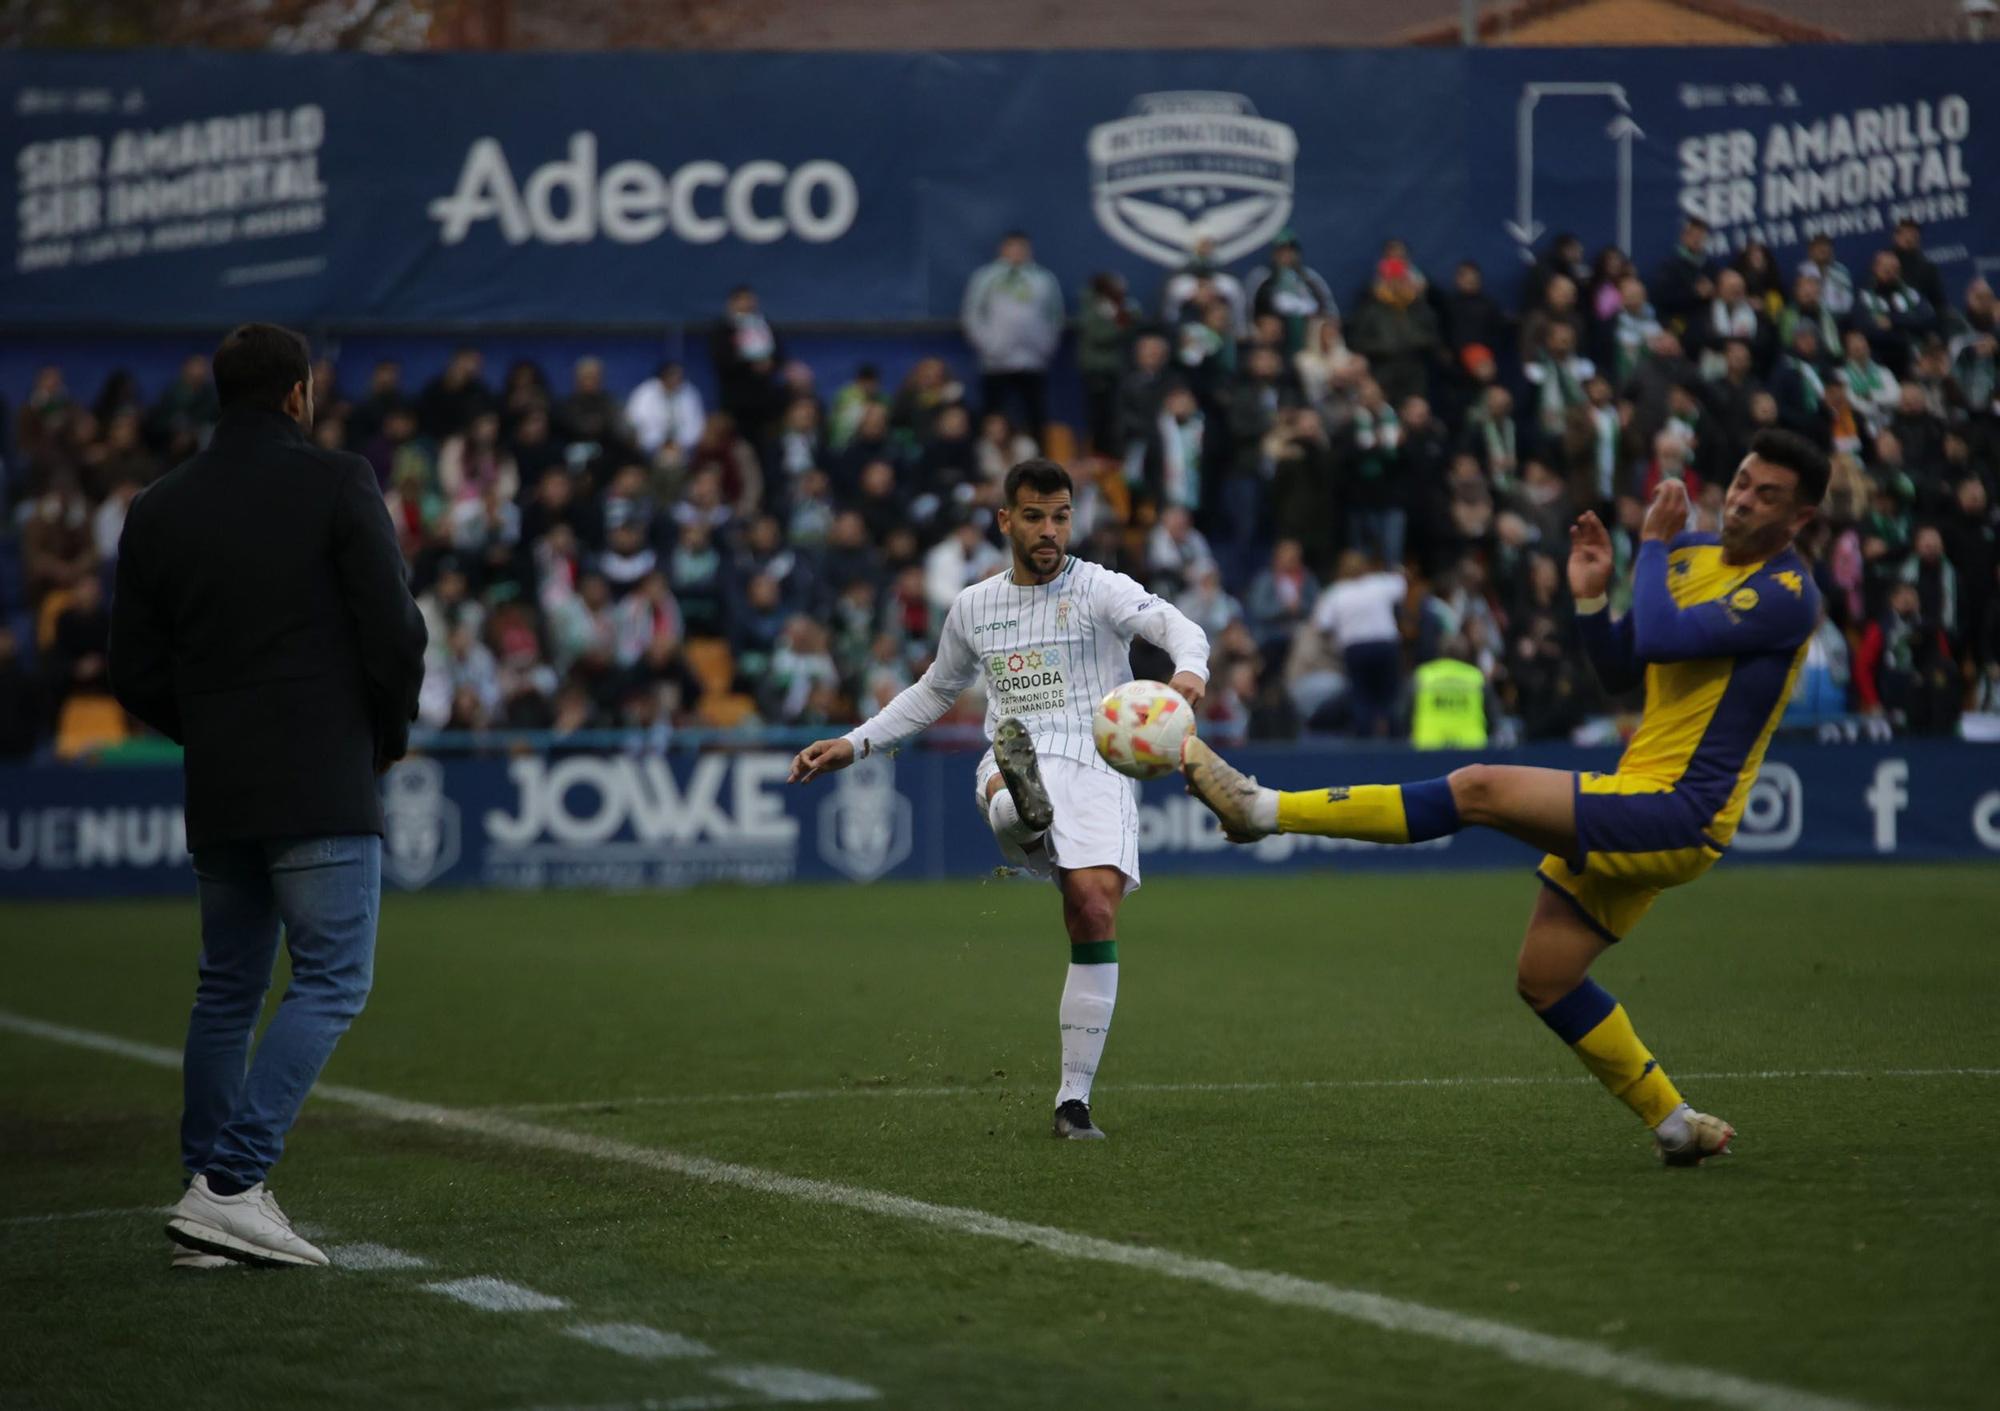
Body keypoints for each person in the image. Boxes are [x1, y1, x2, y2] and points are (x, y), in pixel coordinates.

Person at [1184, 428, 1830, 1167]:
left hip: (1682, 810)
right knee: (1547, 978)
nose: (1743, 499)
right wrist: (1592, 599)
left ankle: (1260, 809)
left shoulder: (1788, 593)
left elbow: (1659, 633)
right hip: (1637, 791)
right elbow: (1625, 665)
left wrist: (1649, 545)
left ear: (1801, 519)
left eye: (1767, 494)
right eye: (1743, 479)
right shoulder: (1689, 555)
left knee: (1479, 787)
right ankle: (1673, 1121)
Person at [109, 324, 427, 1267]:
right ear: (299, 394)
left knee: (227, 991)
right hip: (320, 777)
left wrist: (210, 728)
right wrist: (384, 733)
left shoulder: (158, 506)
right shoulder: (338, 481)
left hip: (222, 783)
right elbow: (396, 632)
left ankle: (204, 1207)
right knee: (333, 977)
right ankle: (233, 1184)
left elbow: (134, 671)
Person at [788, 459, 1209, 1141]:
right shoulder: (975, 605)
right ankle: (1018, 810)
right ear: (1005, 520)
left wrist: (1189, 672)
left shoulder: (1101, 587)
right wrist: (857, 742)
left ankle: (1073, 1101)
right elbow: (934, 690)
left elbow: (1180, 629)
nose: (1050, 530)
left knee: (1094, 907)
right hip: (1021, 748)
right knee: (1009, 782)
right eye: (1036, 516)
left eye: (1062, 515)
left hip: (1100, 762)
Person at [961, 231, 1064, 442]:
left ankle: (1038, 462)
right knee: (994, 412)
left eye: (1021, 248)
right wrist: (988, 345)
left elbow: (1055, 315)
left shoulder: (1043, 279)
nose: (1017, 252)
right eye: (1012, 247)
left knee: (1036, 413)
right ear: (1002, 249)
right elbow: (972, 313)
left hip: (1033, 358)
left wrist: (1045, 346)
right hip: (996, 359)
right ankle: (989, 459)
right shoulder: (986, 277)